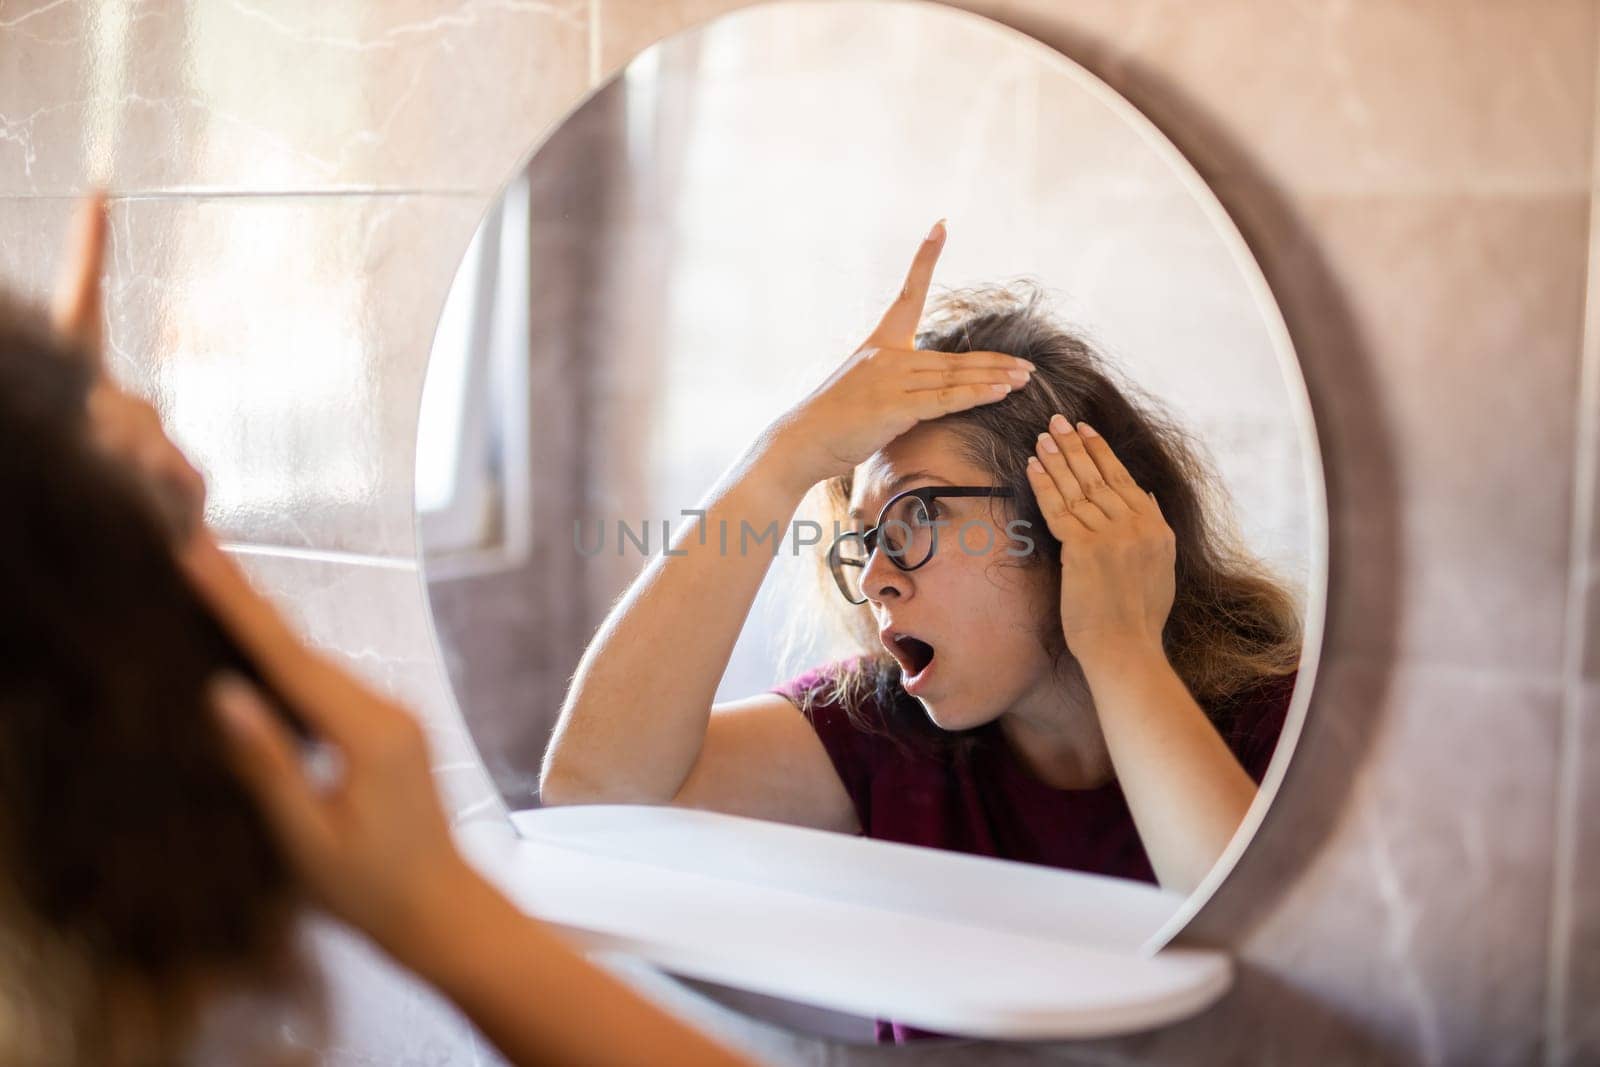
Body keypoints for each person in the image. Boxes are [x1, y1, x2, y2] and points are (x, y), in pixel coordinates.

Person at [0, 194, 757, 1067]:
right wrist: (442, 911)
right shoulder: (850, 722)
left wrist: (66, 506)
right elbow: (598, 777)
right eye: (177, 535)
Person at [542, 220, 1302, 907]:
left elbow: (1256, 924)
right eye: (863, 539)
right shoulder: (883, 732)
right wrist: (780, 459)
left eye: (916, 514)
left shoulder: (1283, 717)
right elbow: (593, 791)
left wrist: (1122, 647)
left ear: (1071, 517)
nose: (874, 578)